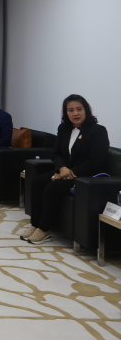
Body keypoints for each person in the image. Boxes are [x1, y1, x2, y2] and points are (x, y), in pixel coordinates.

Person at [21, 94, 109, 244]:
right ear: (66, 113)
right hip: (64, 171)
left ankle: (44, 229)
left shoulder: (98, 131)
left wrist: (67, 174)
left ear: (86, 110)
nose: (75, 113)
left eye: (79, 109)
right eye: (71, 110)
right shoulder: (63, 129)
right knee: (37, 181)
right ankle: (35, 224)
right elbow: (56, 153)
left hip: (86, 177)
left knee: (52, 187)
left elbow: (95, 161)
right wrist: (61, 168)